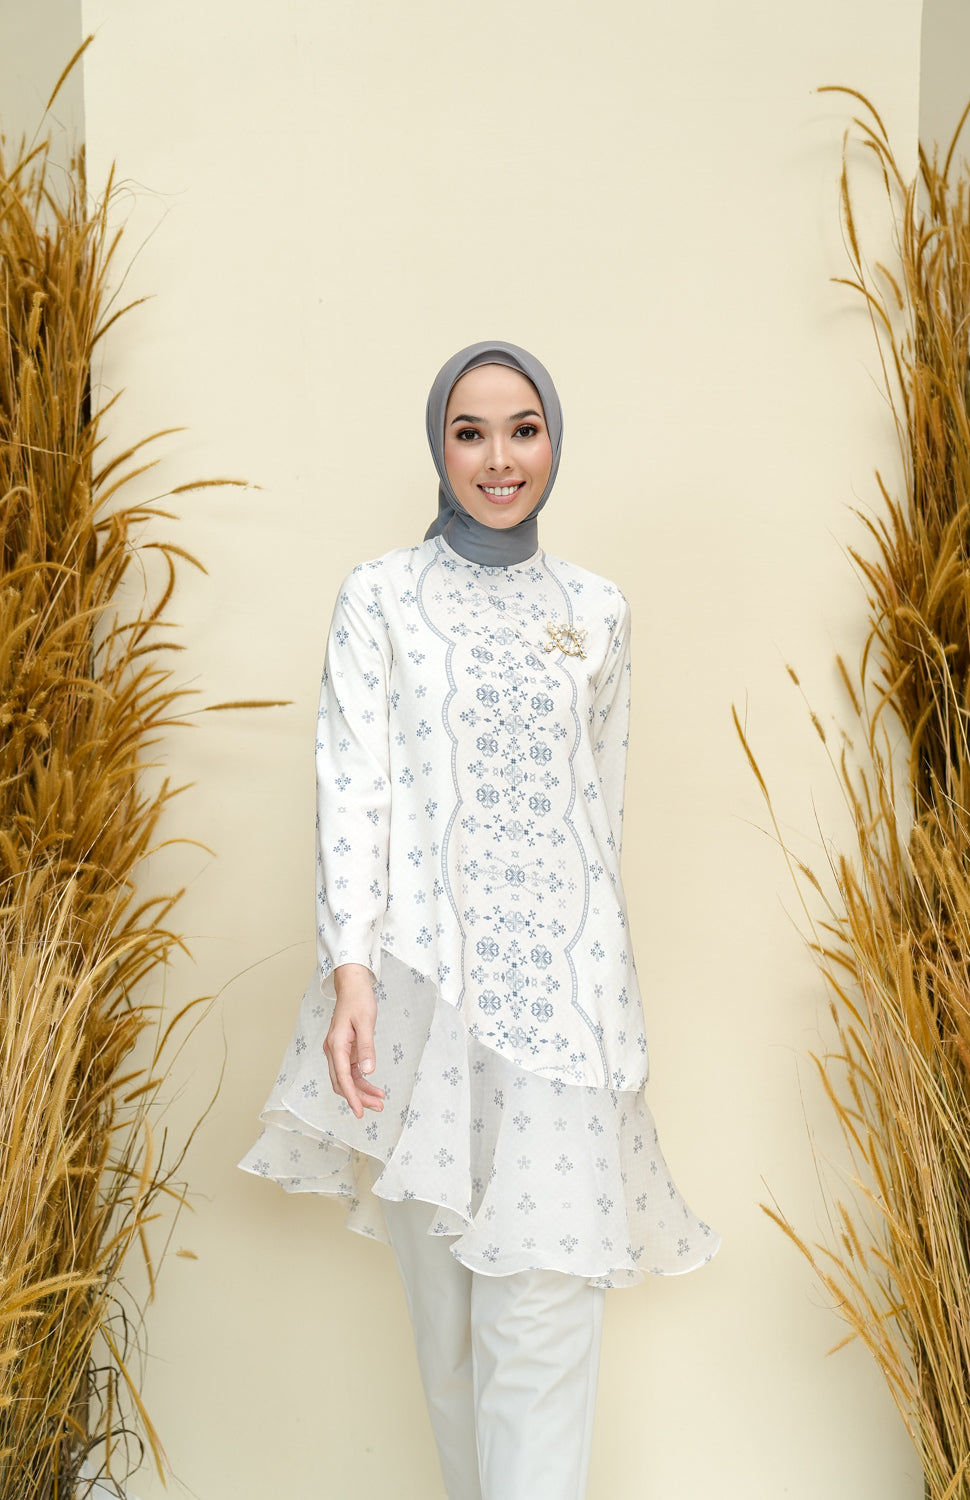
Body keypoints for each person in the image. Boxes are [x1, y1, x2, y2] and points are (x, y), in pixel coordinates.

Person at [240, 341, 719, 1500]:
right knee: (452, 1353)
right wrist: (352, 976)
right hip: (421, 1008)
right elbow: (351, 784)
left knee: (542, 1338)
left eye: (522, 429)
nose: (499, 458)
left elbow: (598, 811)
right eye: (470, 432)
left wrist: (602, 993)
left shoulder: (596, 612)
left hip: (564, 1016)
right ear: (439, 446)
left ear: (552, 439)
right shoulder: (380, 598)